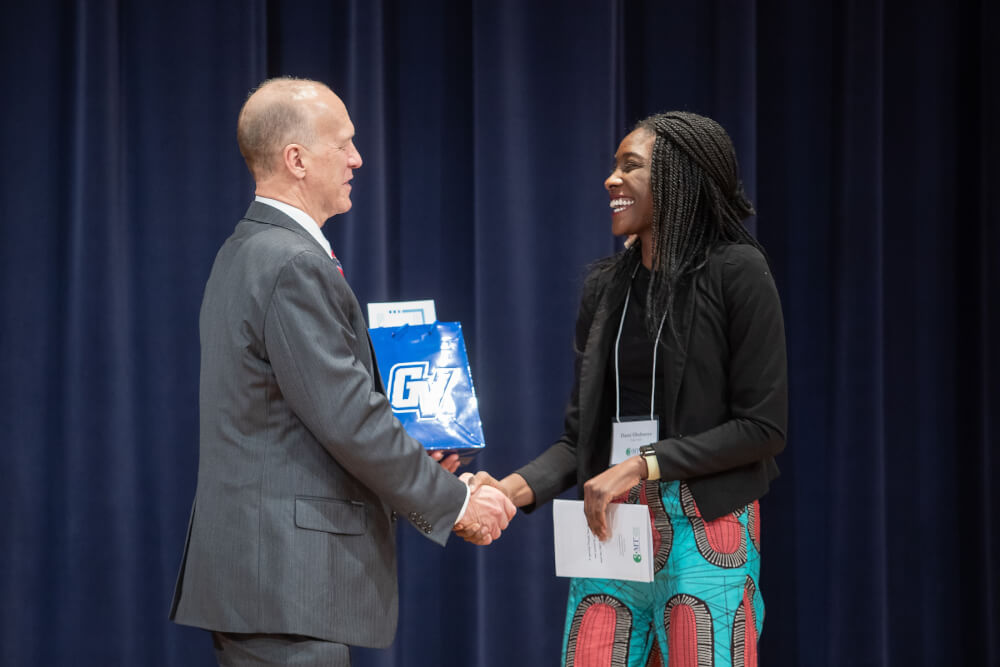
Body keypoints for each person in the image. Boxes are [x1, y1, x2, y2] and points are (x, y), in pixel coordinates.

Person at [169, 77, 515, 667]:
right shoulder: (291, 262)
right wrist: (455, 503)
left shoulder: (247, 249)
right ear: (296, 159)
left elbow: (300, 412)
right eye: (344, 143)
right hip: (284, 586)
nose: (357, 158)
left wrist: (414, 456)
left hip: (266, 586)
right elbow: (348, 419)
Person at [464, 111, 787, 666]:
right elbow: (580, 440)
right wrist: (507, 491)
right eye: (614, 167)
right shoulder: (605, 288)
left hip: (704, 524)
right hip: (612, 522)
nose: (610, 180)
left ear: (677, 179)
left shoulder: (738, 271)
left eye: (629, 166)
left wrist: (640, 465)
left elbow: (762, 428)